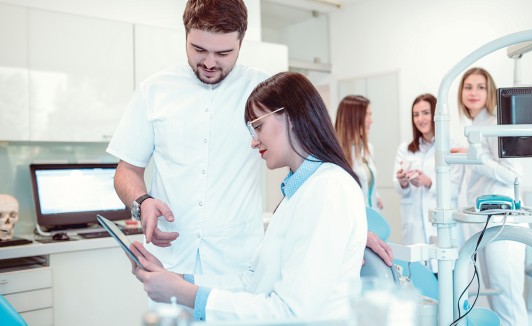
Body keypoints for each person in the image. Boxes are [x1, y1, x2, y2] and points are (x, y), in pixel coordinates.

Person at [106, 0, 392, 281]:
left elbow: (308, 163)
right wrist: (141, 202)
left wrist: (347, 225)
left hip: (238, 265)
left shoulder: (263, 91)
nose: (209, 62)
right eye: (199, 49)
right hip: (170, 260)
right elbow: (127, 170)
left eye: (223, 53)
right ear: (186, 35)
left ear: (241, 42)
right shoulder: (154, 91)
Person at [130, 71, 368, 322]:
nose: (254, 142)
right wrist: (177, 281)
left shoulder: (328, 188)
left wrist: (186, 294)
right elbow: (251, 283)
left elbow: (291, 313)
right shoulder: (299, 192)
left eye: (258, 126)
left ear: (292, 116)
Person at [452, 67, 527, 326]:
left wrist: (474, 159)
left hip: (504, 222)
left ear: (490, 91)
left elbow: (514, 175)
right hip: (488, 222)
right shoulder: (475, 126)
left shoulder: (496, 125)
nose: (473, 92)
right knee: (496, 298)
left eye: (480, 87)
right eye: (468, 86)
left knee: (506, 297)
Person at [393, 93, 463, 273]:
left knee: (445, 282)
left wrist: (429, 182)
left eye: (425, 113)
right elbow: (399, 188)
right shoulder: (406, 149)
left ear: (435, 115)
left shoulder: (451, 146)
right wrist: (402, 182)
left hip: (441, 228)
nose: (420, 119)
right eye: (416, 114)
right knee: (418, 284)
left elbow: (454, 189)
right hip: (414, 226)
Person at [335, 95, 383, 210]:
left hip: (371, 218)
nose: (371, 120)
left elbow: (366, 181)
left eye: (370, 114)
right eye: (367, 114)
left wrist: (374, 195)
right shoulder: (336, 153)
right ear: (352, 118)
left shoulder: (368, 148)